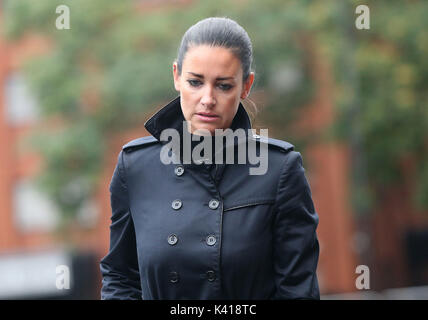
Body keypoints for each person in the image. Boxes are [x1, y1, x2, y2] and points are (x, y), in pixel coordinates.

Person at [100, 17, 320, 300]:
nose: (207, 98)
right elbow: (120, 276)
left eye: (224, 86)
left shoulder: (279, 170)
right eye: (195, 82)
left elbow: (297, 290)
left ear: (246, 85)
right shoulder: (136, 166)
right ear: (177, 76)